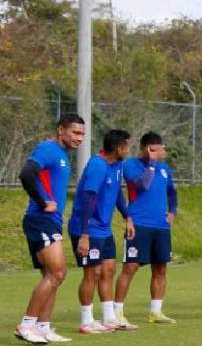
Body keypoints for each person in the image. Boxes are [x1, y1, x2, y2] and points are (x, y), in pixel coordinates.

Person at [15, 113, 85, 344]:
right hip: (40, 219)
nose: (79, 138)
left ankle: (43, 327)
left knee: (51, 274)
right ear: (60, 130)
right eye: (75, 132)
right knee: (57, 273)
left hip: (51, 221)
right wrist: (43, 202)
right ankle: (26, 325)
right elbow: (26, 174)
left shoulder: (61, 155)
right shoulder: (48, 149)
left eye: (82, 134)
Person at [69, 128, 136, 334]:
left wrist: (127, 217)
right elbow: (88, 199)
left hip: (104, 230)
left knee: (108, 270)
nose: (129, 149)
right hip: (88, 229)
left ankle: (109, 318)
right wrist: (85, 234)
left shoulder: (117, 165)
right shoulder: (97, 166)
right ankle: (86, 321)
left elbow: (116, 193)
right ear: (118, 148)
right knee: (92, 273)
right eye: (127, 146)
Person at [115, 131, 179, 325]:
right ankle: (116, 312)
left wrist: (172, 211)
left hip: (161, 226)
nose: (163, 152)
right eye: (160, 149)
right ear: (148, 149)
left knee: (160, 268)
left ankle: (156, 312)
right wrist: (151, 163)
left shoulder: (165, 168)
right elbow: (142, 185)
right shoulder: (131, 165)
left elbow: (172, 192)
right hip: (139, 224)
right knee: (130, 267)